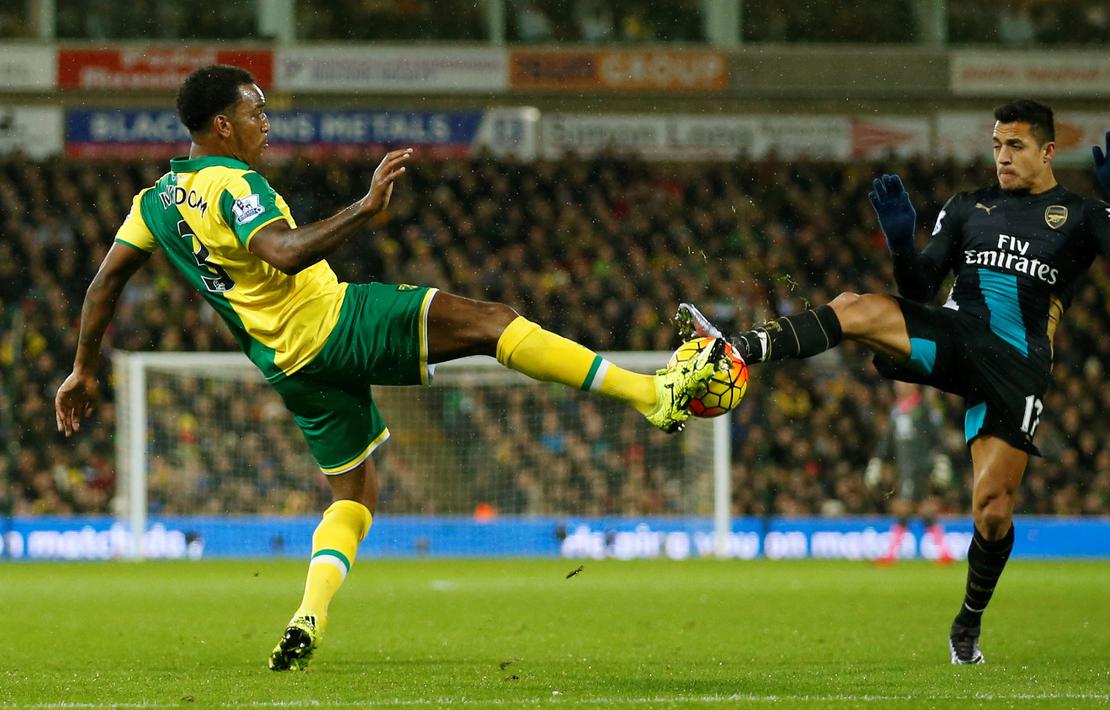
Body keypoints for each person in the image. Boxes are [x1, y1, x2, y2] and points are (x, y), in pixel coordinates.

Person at [53, 64, 726, 671]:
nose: (267, 124)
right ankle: (651, 393)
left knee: (355, 497)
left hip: (289, 370)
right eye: (257, 113)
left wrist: (84, 368)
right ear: (222, 123)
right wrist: (362, 211)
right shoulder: (236, 184)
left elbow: (103, 284)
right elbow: (283, 253)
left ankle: (306, 616)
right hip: (333, 325)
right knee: (493, 322)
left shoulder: (154, 202)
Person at [679, 100, 1110, 664]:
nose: (1002, 156)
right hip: (955, 334)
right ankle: (734, 348)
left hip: (1016, 364)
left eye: (1017, 146)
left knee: (993, 509)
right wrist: (902, 242)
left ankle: (967, 626)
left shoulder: (1078, 214)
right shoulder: (967, 207)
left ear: (1049, 151)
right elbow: (920, 287)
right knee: (856, 307)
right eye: (997, 144)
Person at [864, 381, 954, 565]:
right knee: (920, 509)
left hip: (920, 468)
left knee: (905, 507)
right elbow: (887, 441)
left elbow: (938, 439)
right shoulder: (897, 411)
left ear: (914, 387)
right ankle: (944, 552)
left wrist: (941, 460)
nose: (899, 386)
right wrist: (877, 461)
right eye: (898, 383)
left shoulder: (925, 411)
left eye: (904, 383)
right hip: (904, 469)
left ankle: (890, 554)